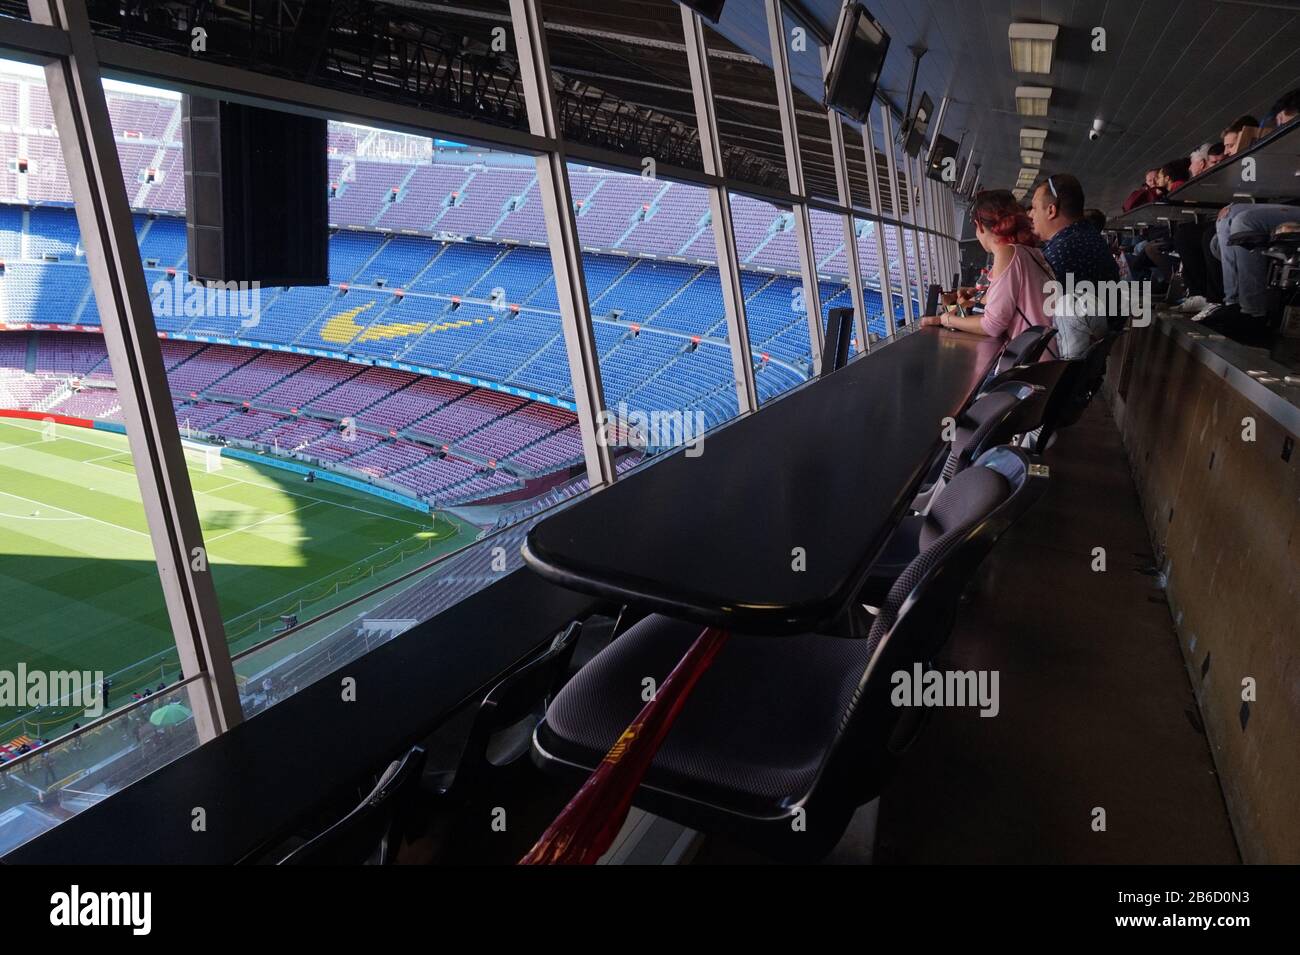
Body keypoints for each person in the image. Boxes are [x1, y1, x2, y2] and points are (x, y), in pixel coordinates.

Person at [920, 189, 1054, 348]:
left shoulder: (1007, 253)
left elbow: (993, 325)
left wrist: (945, 319)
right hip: (1045, 352)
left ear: (979, 226)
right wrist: (974, 299)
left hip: (1034, 360)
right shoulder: (1028, 252)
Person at [1028, 174, 1122, 355]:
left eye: (1034, 208)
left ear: (1051, 210)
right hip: (1092, 359)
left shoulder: (1061, 251)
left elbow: (1035, 314)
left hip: (1065, 364)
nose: (1031, 215)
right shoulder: (1088, 236)